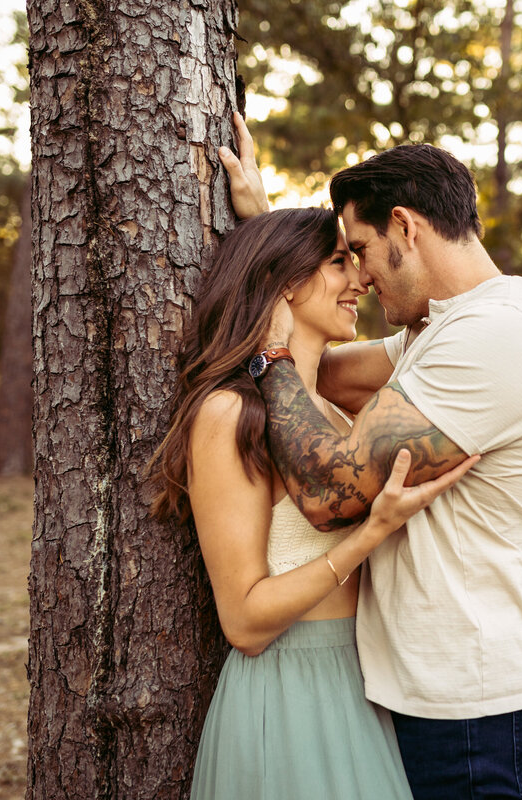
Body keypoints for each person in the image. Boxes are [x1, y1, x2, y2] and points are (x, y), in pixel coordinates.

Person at [220, 113, 522, 799]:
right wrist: (272, 254)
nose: (358, 275)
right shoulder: (439, 332)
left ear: (406, 228)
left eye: (358, 247)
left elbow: (329, 490)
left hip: (470, 697)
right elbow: (320, 368)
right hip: (430, 684)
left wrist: (266, 352)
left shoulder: (496, 334)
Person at [147, 205, 478, 799]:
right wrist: (369, 534)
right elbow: (245, 622)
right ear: (284, 284)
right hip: (290, 695)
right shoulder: (230, 414)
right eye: (337, 263)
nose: (360, 281)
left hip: (361, 686)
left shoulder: (334, 417)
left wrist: (262, 213)